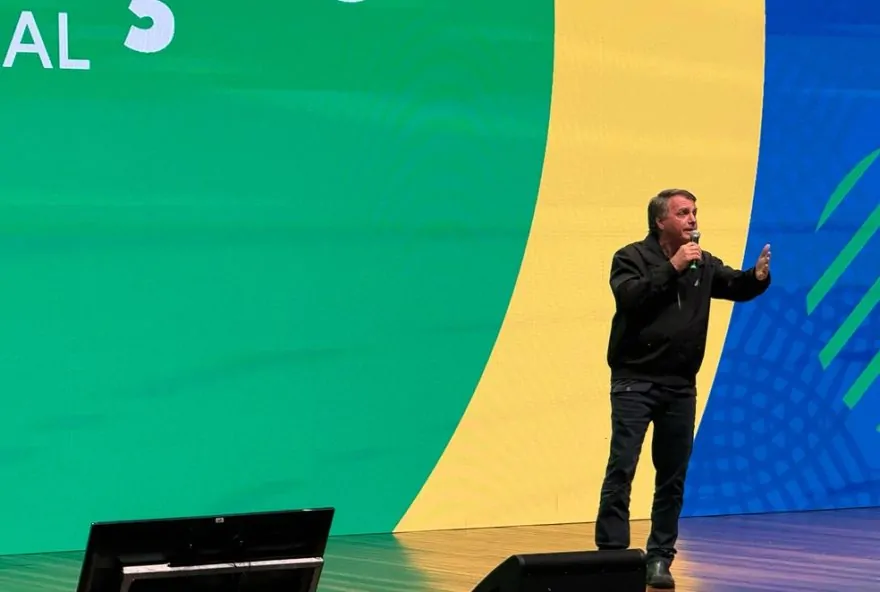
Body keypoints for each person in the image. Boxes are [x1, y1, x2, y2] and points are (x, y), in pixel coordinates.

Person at [594, 189, 771, 589]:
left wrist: (757, 277)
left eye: (694, 212)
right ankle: (611, 556)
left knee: (672, 476)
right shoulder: (630, 257)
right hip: (634, 381)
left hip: (679, 386)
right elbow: (630, 297)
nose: (692, 219)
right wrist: (672, 266)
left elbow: (736, 285)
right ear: (660, 221)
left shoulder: (701, 262)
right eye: (683, 213)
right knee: (622, 466)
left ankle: (660, 558)